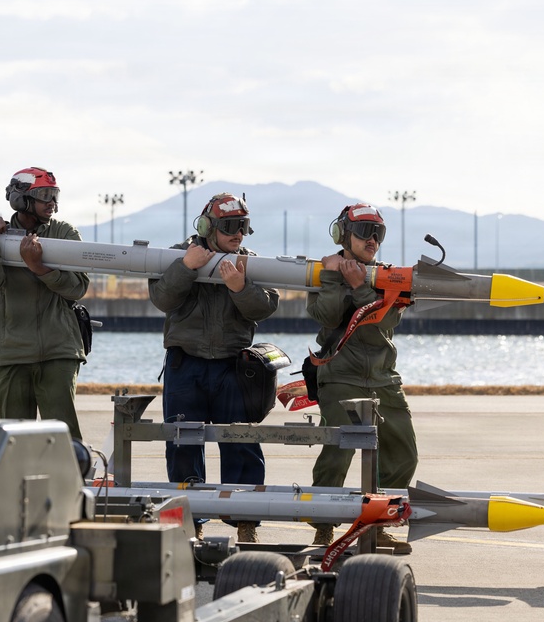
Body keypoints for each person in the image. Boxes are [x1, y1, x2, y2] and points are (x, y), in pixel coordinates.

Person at [148, 193, 279, 542]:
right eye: (230, 227)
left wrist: (240, 286)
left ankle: (246, 520)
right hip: (185, 364)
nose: (238, 234)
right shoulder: (178, 255)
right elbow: (161, 298)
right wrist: (186, 268)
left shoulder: (249, 263)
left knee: (240, 442)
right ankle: (191, 524)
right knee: (182, 443)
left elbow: (264, 308)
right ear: (208, 227)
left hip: (231, 367)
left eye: (243, 227)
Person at [306, 203, 418, 554]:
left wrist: (361, 286)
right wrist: (336, 278)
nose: (372, 240)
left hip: (383, 378)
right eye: (364, 232)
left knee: (403, 454)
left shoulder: (389, 276)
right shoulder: (325, 272)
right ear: (343, 235)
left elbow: (382, 324)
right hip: (341, 376)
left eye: (378, 233)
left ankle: (377, 524)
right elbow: (324, 313)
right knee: (338, 453)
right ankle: (323, 528)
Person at [0, 167, 89, 440]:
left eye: (55, 196)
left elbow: (78, 288)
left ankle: (70, 482)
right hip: (12, 353)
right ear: (22, 198)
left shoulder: (64, 233)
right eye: (45, 195)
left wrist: (38, 267)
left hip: (58, 351)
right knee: (12, 440)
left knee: (62, 438)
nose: (52, 203)